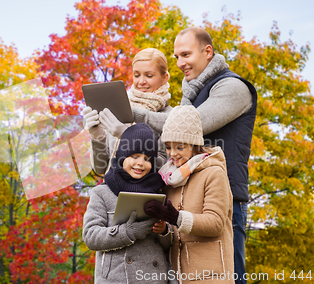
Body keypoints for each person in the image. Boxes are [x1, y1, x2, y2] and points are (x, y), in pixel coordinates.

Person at [133, 27, 257, 284]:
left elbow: (190, 126)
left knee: (228, 276)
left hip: (225, 199)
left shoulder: (232, 87)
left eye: (186, 54)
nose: (180, 63)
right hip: (186, 200)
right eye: (176, 56)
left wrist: (133, 113)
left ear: (207, 51)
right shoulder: (193, 95)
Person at [145, 105, 234, 283]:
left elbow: (215, 223)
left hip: (212, 275)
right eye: (168, 147)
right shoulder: (170, 179)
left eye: (179, 147)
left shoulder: (213, 173)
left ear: (194, 145)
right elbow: (174, 232)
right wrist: (164, 229)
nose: (172, 154)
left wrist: (177, 217)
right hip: (179, 275)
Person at [82, 123, 177, 284]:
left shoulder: (158, 193)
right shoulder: (102, 193)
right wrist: (128, 232)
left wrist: (164, 231)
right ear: (122, 156)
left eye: (147, 159)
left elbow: (168, 245)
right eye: (135, 156)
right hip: (117, 278)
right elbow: (91, 236)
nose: (141, 163)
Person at [82, 48, 173, 175]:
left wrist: (127, 137)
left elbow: (163, 166)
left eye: (149, 75)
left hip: (146, 193)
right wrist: (98, 137)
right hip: (111, 191)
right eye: (136, 75)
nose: (141, 81)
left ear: (164, 78)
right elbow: (100, 168)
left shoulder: (170, 116)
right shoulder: (118, 111)